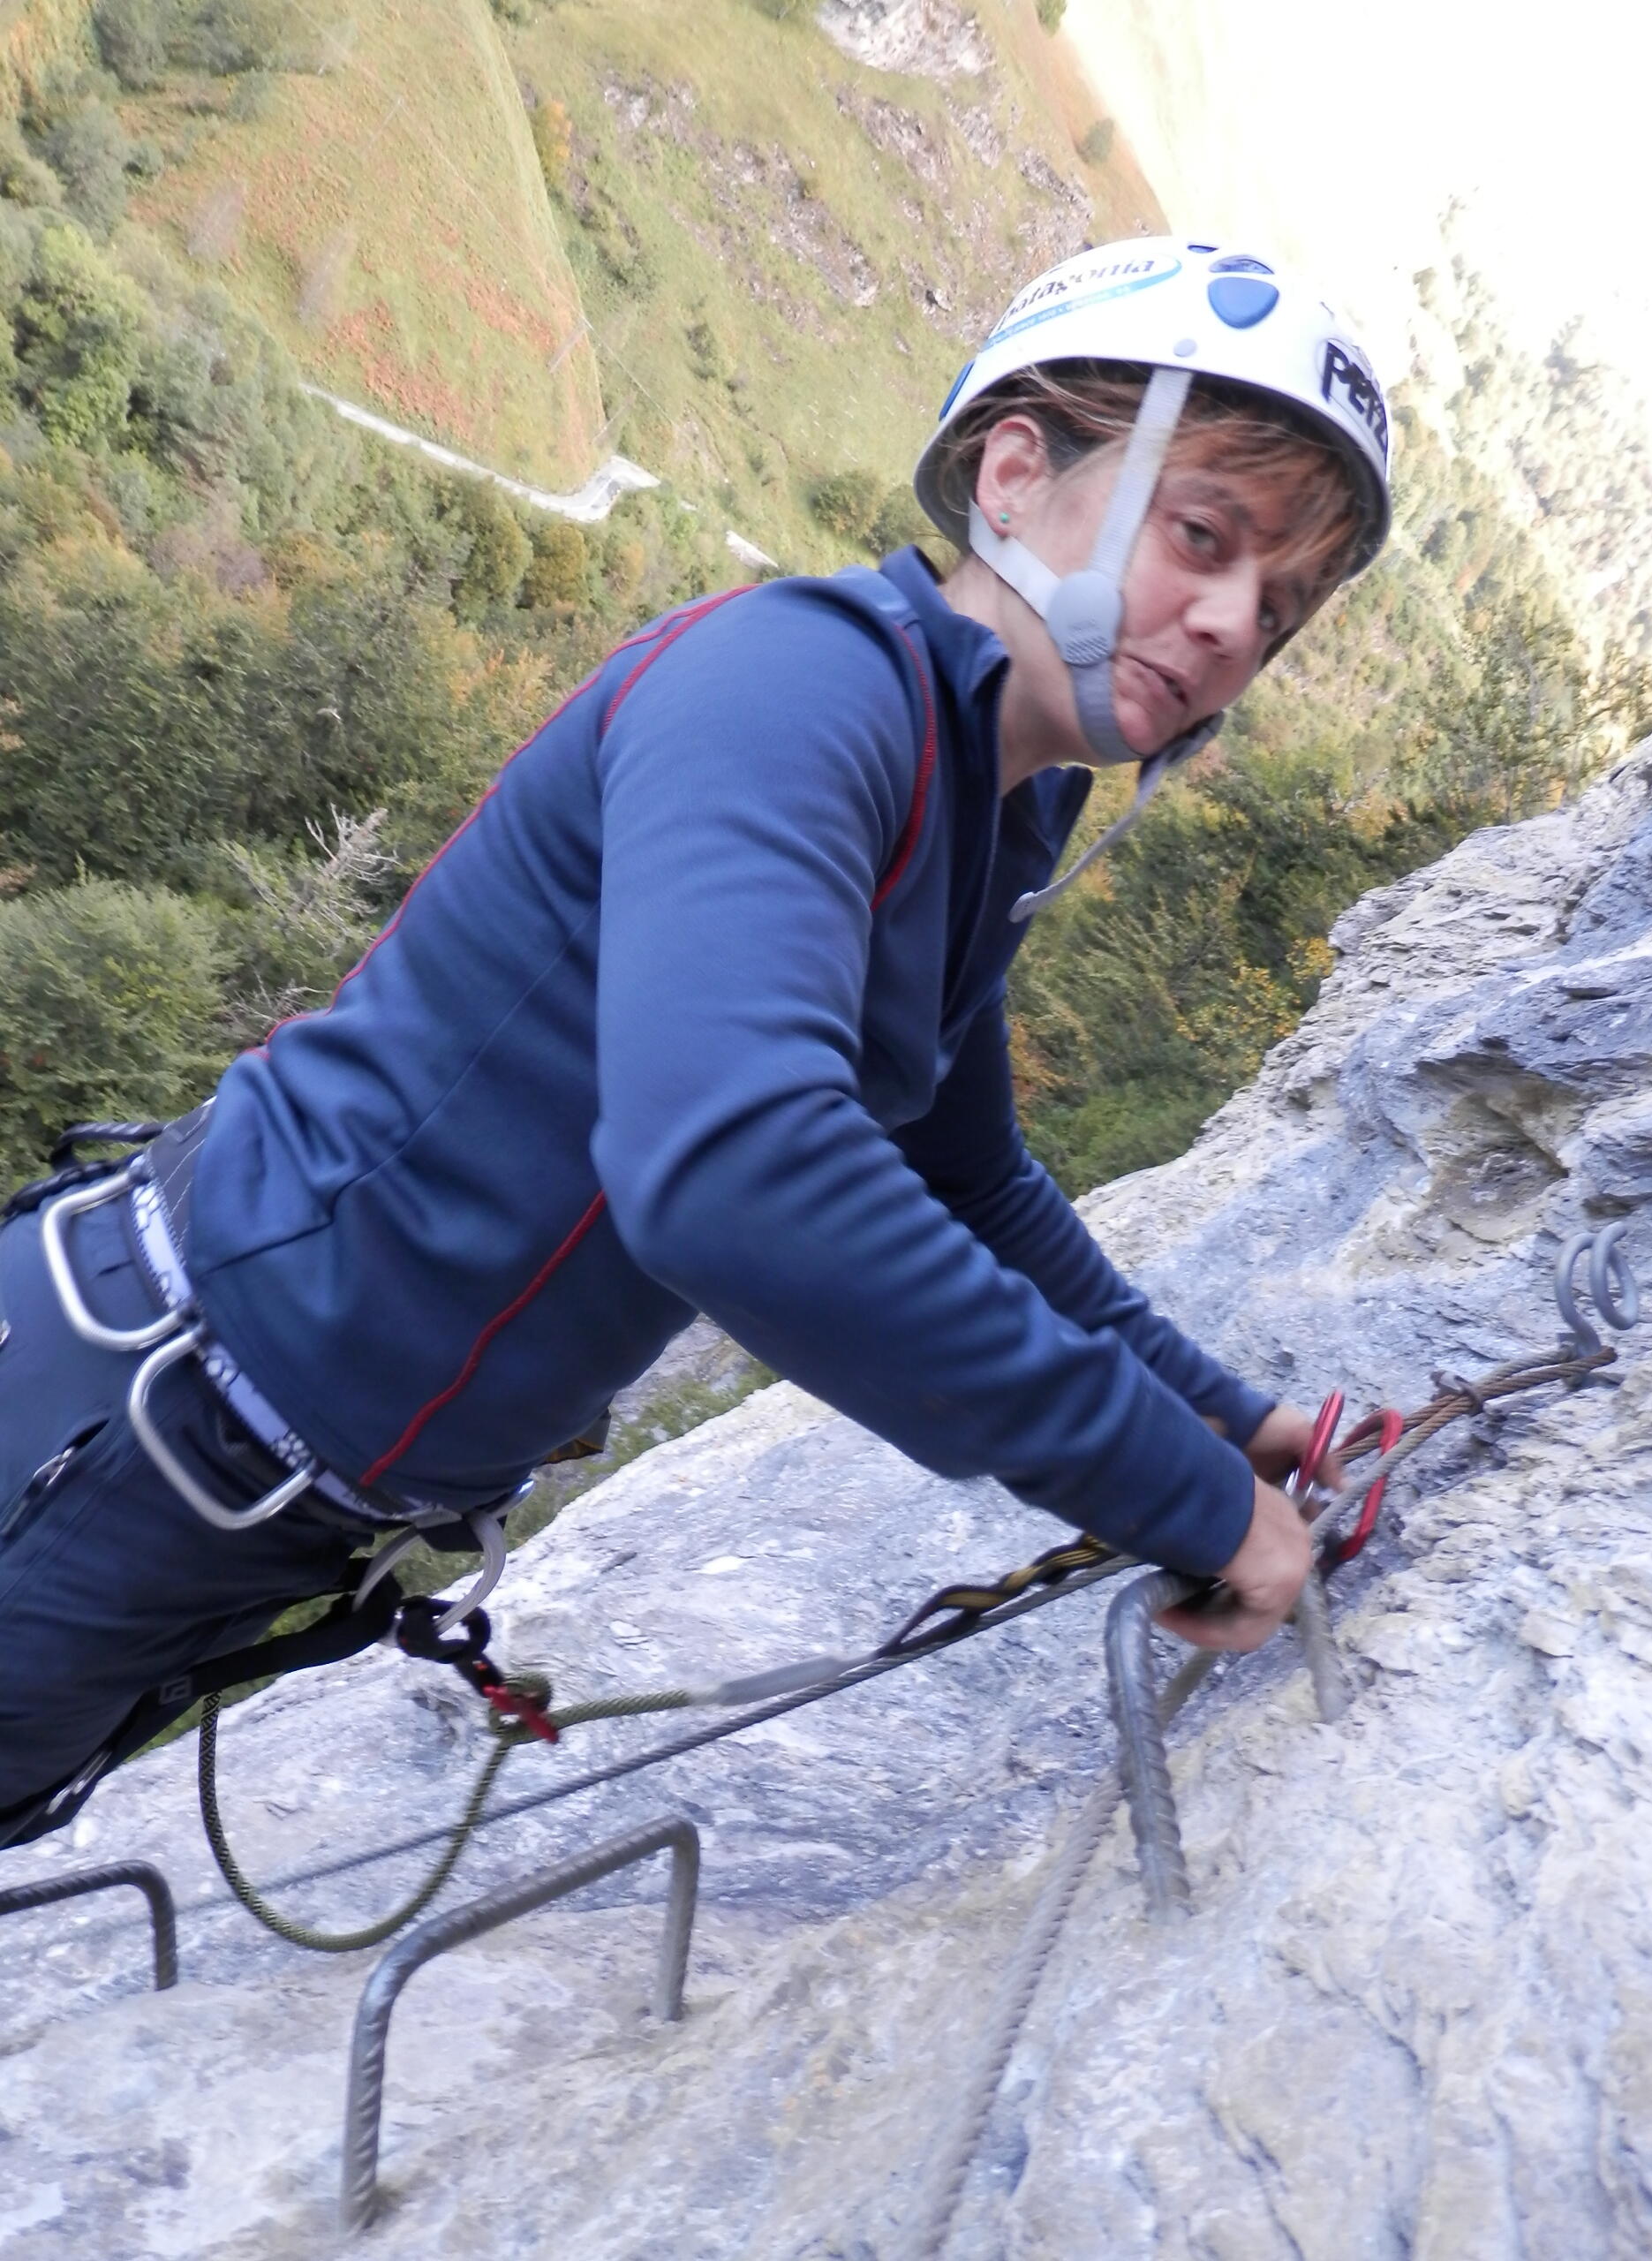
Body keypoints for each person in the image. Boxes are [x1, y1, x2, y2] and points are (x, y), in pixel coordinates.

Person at [0, 237, 1392, 1847]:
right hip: (129, 1428)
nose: (1229, 625)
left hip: (230, 1490)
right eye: (1201, 536)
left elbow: (969, 1186)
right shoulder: (799, 688)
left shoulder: (986, 808)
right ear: (1015, 474)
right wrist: (1181, 1493)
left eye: (1277, 606)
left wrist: (1230, 1421)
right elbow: (737, 1179)